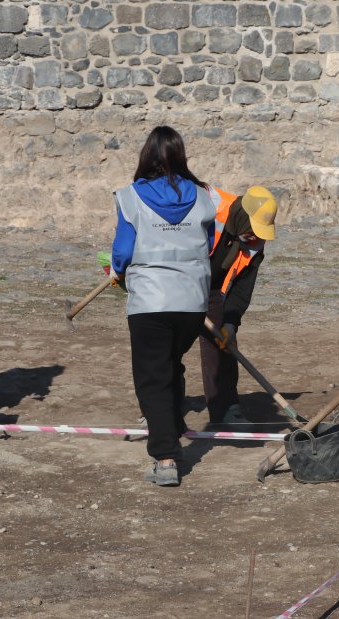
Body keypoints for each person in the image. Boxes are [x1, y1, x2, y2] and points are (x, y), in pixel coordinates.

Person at [110, 126, 216, 487]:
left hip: (150, 302)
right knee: (171, 365)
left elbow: (123, 251)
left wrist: (116, 270)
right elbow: (209, 244)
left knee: (152, 378)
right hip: (192, 302)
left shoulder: (130, 197)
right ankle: (172, 427)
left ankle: (166, 456)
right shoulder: (203, 197)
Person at [199, 185, 278, 429]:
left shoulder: (255, 241)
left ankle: (226, 408)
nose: (255, 237)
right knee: (169, 344)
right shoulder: (207, 211)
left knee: (221, 343)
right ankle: (161, 407)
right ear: (242, 216)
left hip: (213, 288)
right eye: (252, 229)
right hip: (182, 281)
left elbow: (243, 286)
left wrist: (231, 322)